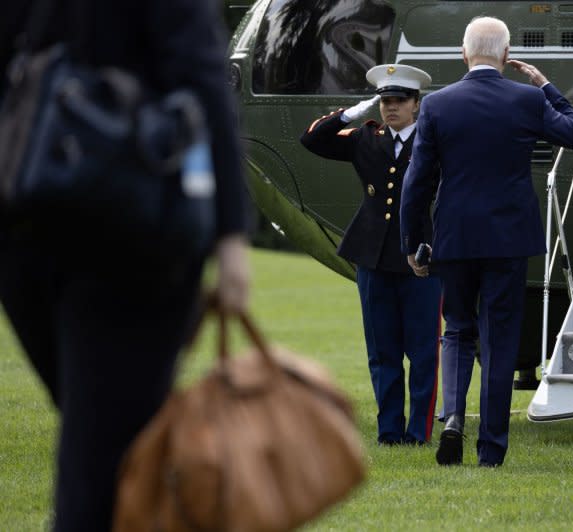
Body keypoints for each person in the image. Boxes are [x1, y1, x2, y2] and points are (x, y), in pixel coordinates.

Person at [0, 1, 250, 530]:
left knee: (99, 440)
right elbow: (203, 79)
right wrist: (230, 233)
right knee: (105, 466)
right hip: (131, 230)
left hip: (25, 220)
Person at [400, 16, 573, 467]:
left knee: (458, 330)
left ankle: (451, 421)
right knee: (499, 339)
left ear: (464, 54)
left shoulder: (438, 105)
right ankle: (491, 448)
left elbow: (417, 181)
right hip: (508, 238)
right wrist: (545, 86)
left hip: (455, 236)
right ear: (506, 56)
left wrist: (413, 240)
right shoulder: (526, 100)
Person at [301, 64, 441, 445]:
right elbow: (311, 140)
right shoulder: (366, 138)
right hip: (373, 255)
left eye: (399, 101)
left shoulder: (433, 140)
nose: (390, 108)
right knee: (382, 351)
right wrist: (349, 114)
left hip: (421, 258)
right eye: (385, 101)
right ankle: (389, 431)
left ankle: (418, 432)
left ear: (416, 104)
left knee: (424, 351)